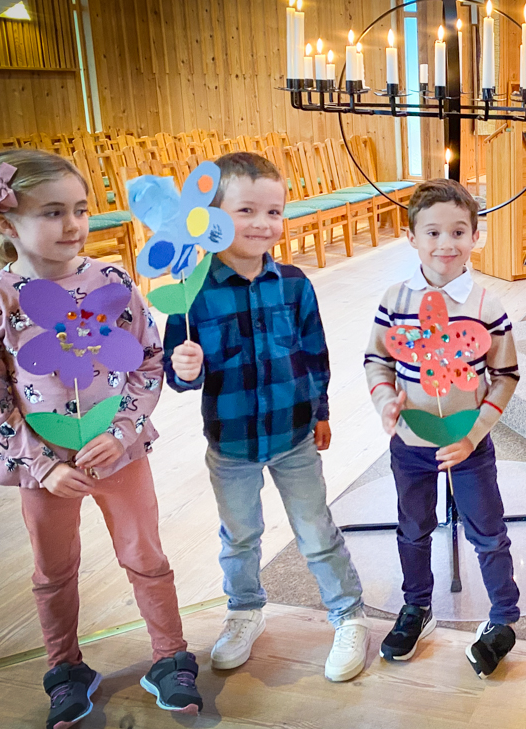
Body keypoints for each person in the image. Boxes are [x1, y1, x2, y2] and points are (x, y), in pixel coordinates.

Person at [0, 149, 202, 728]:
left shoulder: (112, 281)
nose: (73, 224)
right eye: (52, 212)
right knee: (53, 571)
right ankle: (66, 670)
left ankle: (170, 657)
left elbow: (148, 361)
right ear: (7, 223)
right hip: (44, 468)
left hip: (117, 454)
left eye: (80, 209)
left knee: (144, 555)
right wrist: (41, 463)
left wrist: (124, 431)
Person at [164, 152, 369, 682]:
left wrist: (322, 409)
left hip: (294, 433)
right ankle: (244, 611)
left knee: (315, 528)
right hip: (231, 442)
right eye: (247, 210)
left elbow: (314, 351)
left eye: (274, 212)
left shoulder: (295, 283)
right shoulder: (191, 293)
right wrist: (185, 368)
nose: (263, 223)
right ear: (211, 216)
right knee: (240, 535)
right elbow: (179, 373)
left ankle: (348, 614)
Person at [364, 179, 521, 677]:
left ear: (477, 235)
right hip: (410, 443)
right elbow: (376, 359)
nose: (445, 244)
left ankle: (503, 618)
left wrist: (472, 435)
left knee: (488, 531)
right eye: (432, 232)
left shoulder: (486, 306)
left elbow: (505, 376)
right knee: (413, 528)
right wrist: (386, 401)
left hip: (469, 445)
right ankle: (417, 607)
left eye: (458, 231)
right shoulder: (395, 298)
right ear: (411, 237)